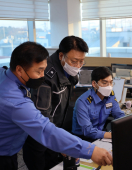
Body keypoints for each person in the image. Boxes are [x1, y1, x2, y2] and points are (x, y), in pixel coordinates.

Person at [0, 42, 112, 170]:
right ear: (19, 70)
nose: (43, 76)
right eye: (39, 71)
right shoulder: (15, 103)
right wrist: (91, 150)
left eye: (44, 70)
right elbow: (46, 130)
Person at [23, 36, 89, 170]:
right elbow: (43, 116)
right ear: (61, 56)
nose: (77, 66)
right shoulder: (45, 75)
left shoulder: (68, 71)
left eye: (81, 61)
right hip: (40, 139)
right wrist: (61, 143)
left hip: (55, 134)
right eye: (74, 61)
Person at [72, 67, 125, 141]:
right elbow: (88, 131)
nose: (109, 86)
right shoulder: (82, 102)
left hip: (101, 135)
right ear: (94, 84)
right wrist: (112, 135)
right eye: (104, 83)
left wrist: (127, 126)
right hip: (83, 139)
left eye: (111, 82)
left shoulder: (111, 96)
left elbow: (119, 115)